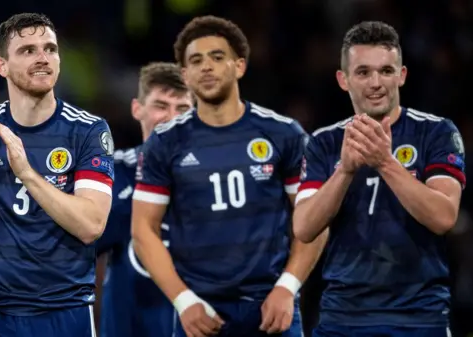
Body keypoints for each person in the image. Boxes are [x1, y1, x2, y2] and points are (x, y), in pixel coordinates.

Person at [131, 16, 328, 337]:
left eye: (217, 57)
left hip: (271, 306)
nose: (206, 66)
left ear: (239, 66)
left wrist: (288, 287)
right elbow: (143, 230)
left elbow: (314, 219)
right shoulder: (164, 143)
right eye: (196, 60)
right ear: (185, 75)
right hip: (201, 312)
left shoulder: (284, 134)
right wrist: (183, 301)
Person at [293, 21, 465, 337]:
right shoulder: (324, 143)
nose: (376, 82)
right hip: (342, 319)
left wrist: (385, 162)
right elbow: (304, 227)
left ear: (402, 75)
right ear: (343, 80)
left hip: (419, 318)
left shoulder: (436, 132)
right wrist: (344, 171)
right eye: (363, 72)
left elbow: (443, 217)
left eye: (386, 71)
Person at [0, 13, 114, 337]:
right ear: (2, 66)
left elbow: (91, 225)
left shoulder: (88, 131)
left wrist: (26, 172)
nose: (43, 58)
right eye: (28, 51)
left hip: (62, 312)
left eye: (50, 49)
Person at [96, 62, 193, 337]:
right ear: (137, 109)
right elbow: (73, 250)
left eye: (183, 109)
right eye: (161, 106)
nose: (172, 118)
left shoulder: (215, 178)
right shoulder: (112, 174)